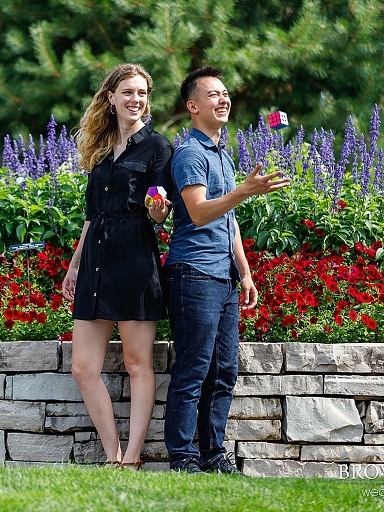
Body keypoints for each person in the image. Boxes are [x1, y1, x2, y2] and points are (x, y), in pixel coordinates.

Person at [164, 66, 290, 474]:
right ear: (193, 106)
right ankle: (182, 458)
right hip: (193, 272)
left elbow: (228, 220)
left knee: (223, 371)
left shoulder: (223, 156)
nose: (223, 99)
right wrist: (241, 192)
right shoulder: (190, 154)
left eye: (225, 93)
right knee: (194, 367)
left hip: (224, 276)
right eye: (213, 94)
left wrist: (246, 271)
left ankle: (214, 455)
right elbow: (199, 213)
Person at [62, 63, 172, 470]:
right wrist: (75, 265)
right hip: (94, 262)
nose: (136, 99)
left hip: (135, 260)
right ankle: (111, 455)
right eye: (127, 92)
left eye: (142, 92)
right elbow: (91, 217)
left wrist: (158, 209)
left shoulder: (158, 147)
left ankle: (132, 457)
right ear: (110, 98)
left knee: (136, 363)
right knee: (83, 367)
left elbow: (160, 212)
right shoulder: (101, 150)